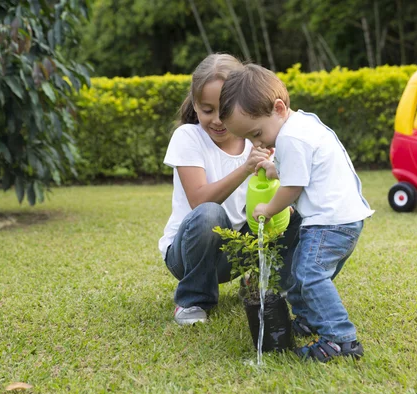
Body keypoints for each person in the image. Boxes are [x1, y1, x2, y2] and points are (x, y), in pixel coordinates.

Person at [219, 63, 374, 362]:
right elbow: (305, 170)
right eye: (250, 140)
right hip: (344, 218)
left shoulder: (291, 137)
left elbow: (294, 188)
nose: (258, 143)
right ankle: (307, 320)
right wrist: (276, 170)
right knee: (301, 274)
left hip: (329, 222)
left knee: (309, 274)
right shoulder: (302, 124)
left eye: (257, 133)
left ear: (278, 108)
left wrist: (267, 208)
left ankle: (340, 339)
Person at [158, 54, 301, 326]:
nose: (217, 120)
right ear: (195, 105)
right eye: (207, 109)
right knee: (211, 214)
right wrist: (246, 168)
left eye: (224, 109)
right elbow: (199, 201)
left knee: (292, 210)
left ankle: (267, 286)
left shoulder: (257, 138)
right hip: (188, 252)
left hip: (236, 249)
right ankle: (192, 300)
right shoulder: (188, 137)